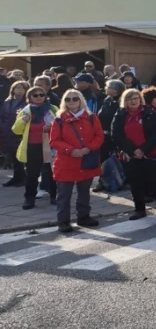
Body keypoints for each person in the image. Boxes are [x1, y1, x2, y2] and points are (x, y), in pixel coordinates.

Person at [112, 88, 156, 220]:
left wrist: (143, 150)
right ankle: (139, 209)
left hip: (149, 153)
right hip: (130, 155)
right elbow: (117, 134)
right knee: (135, 182)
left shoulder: (148, 113)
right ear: (125, 101)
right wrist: (132, 150)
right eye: (129, 99)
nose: (133, 101)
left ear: (140, 99)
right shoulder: (120, 114)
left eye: (135, 98)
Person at [48, 88, 104, 232]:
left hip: (86, 160)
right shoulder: (59, 120)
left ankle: (84, 217)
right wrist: (70, 150)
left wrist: (88, 148)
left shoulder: (92, 118)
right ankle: (63, 221)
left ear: (81, 100)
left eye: (75, 98)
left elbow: (99, 136)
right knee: (64, 195)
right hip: (66, 162)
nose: (71, 102)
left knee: (84, 192)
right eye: (68, 99)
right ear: (64, 102)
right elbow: (54, 140)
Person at [12, 84, 59, 209]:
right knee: (32, 173)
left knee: (51, 172)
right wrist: (23, 120)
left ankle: (54, 196)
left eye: (42, 95)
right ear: (30, 97)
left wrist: (53, 127)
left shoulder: (53, 109)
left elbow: (62, 126)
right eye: (35, 95)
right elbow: (16, 130)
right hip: (32, 146)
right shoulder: (25, 111)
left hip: (50, 146)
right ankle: (29, 198)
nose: (39, 97)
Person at [1, 80, 28, 187]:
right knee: (11, 155)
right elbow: (2, 115)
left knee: (19, 156)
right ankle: (16, 177)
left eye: (22, 88)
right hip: (7, 132)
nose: (20, 91)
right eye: (17, 88)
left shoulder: (27, 103)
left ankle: (22, 177)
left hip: (19, 132)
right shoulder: (7, 102)